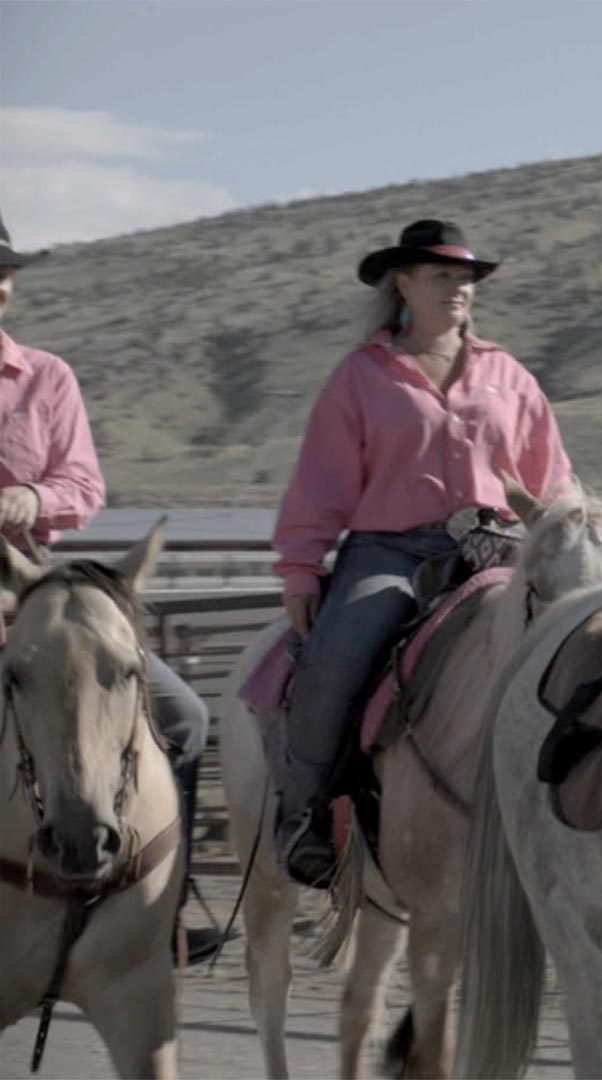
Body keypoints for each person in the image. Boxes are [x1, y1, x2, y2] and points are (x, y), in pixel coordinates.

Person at [270, 219, 571, 886]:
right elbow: (320, 483)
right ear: (402, 282)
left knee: (575, 650)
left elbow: (550, 481)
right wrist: (300, 568)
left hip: (499, 548)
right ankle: (306, 814)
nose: (459, 288)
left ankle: (571, 810)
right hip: (391, 552)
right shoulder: (360, 376)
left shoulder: (509, 375)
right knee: (335, 657)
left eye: (466, 279)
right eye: (443, 276)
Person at [0, 209, 221, 964]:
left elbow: (83, 484)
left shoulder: (45, 377)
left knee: (182, 715)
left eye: (1, 273)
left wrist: (34, 498)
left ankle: (162, 901)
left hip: (43, 606)